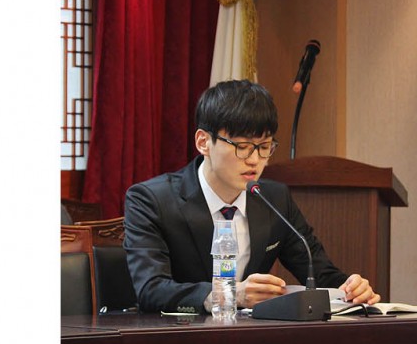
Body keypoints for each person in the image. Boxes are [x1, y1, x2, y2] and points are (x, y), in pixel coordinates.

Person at [123, 75, 381, 317]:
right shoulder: (152, 200)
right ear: (203, 142)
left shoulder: (275, 199)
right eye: (243, 147)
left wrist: (351, 288)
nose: (255, 160)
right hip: (179, 336)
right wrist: (229, 294)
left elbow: (320, 275)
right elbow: (150, 290)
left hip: (251, 336)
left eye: (264, 147)